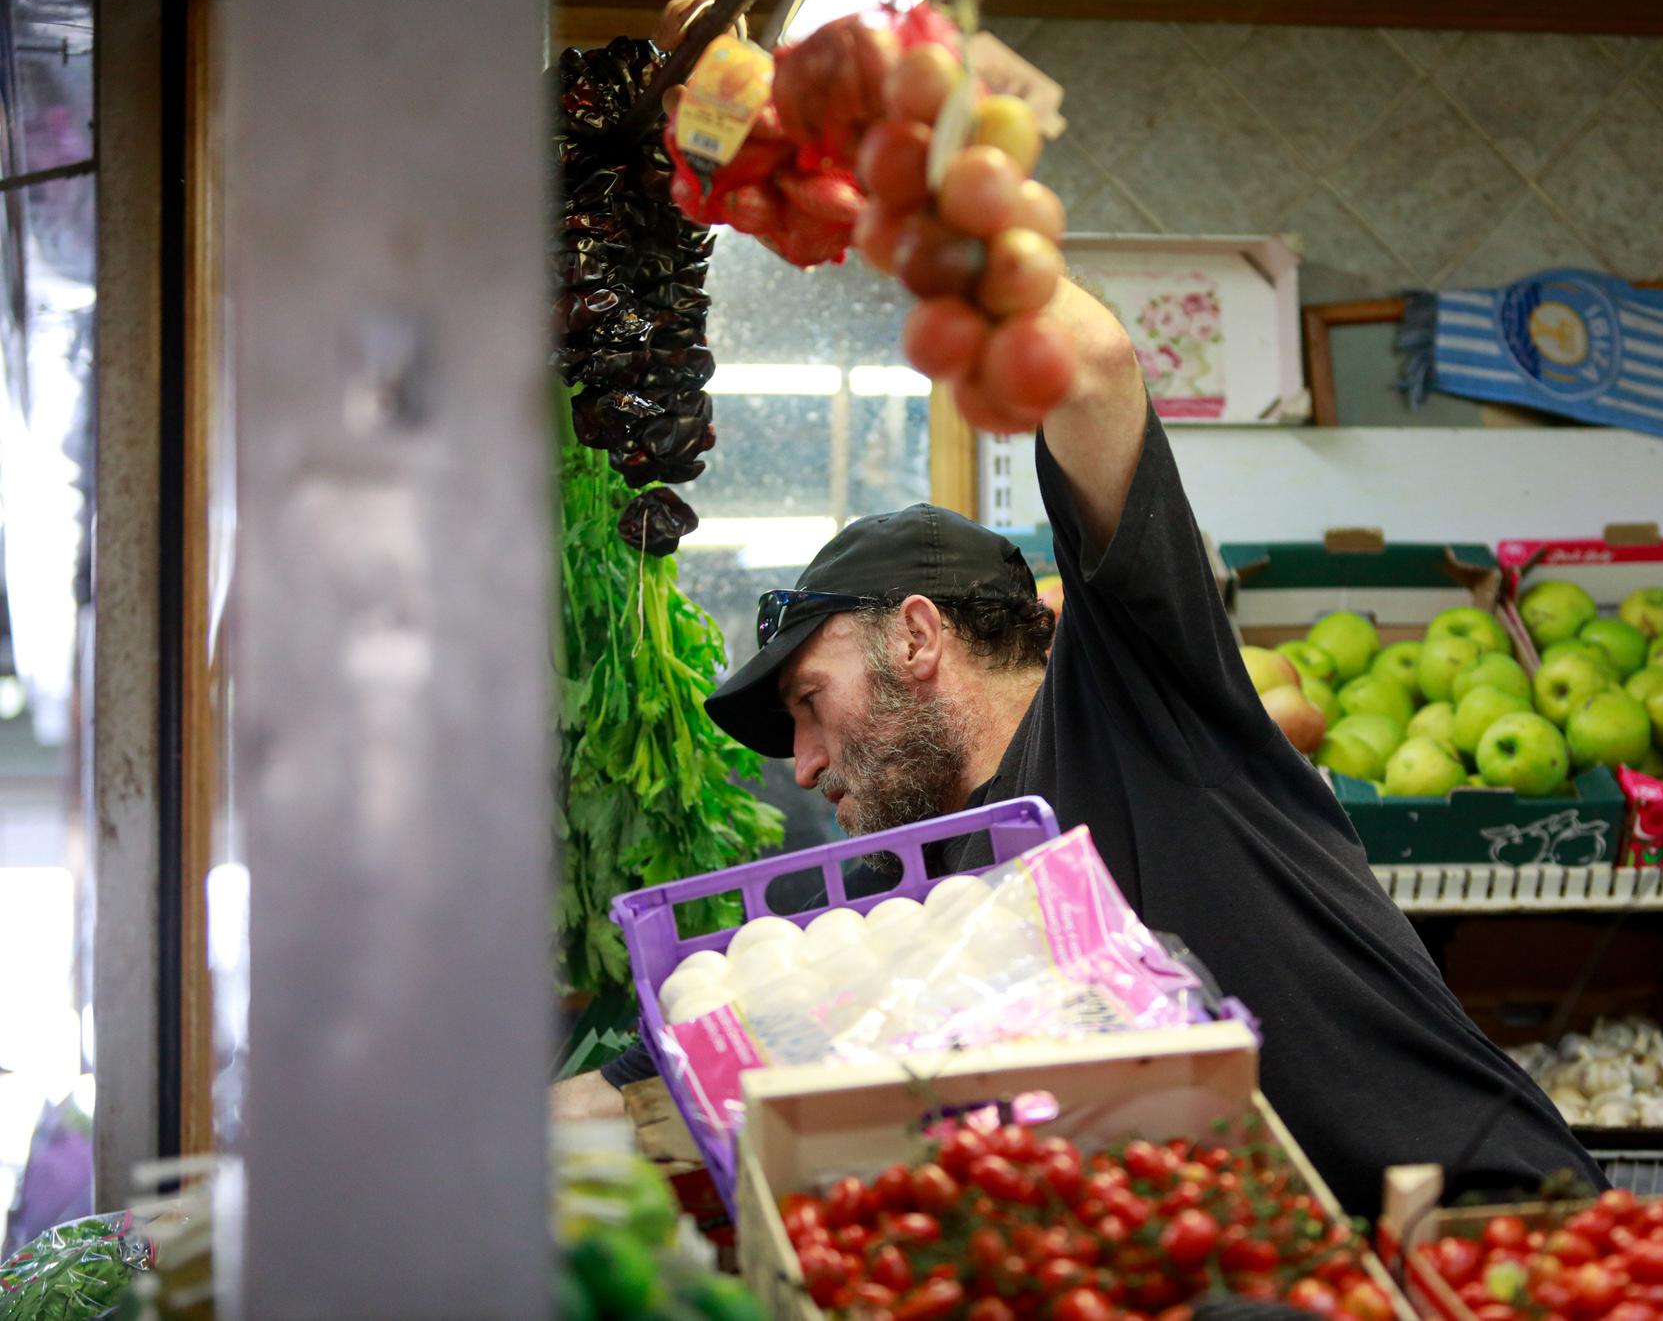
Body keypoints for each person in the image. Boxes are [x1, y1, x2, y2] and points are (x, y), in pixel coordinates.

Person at [558, 257, 1604, 1211]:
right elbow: (668, 1068)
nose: (805, 763)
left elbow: (1093, 362)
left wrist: (936, 212)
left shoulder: (1130, 709)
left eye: (808, 703)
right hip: (1275, 1279)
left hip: (1492, 1228)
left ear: (915, 637)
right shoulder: (919, 897)